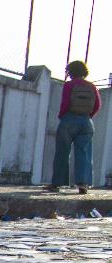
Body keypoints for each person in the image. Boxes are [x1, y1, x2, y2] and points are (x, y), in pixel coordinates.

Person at [47, 60, 102, 194]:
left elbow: (65, 103)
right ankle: (83, 184)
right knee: (84, 153)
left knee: (62, 152)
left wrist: (62, 116)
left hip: (69, 120)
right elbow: (97, 105)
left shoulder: (69, 85)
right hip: (86, 122)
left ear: (71, 72)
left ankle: (57, 184)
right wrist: (88, 116)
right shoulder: (92, 87)